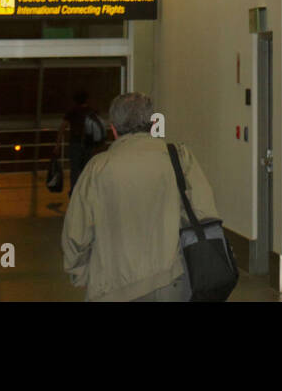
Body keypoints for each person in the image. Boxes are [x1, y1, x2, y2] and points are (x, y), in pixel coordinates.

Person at [62, 92, 223, 301]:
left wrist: (81, 274)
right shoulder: (179, 157)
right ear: (153, 122)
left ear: (113, 128)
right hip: (170, 281)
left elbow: (77, 233)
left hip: (111, 286)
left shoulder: (97, 169)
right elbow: (204, 213)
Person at [55, 89, 106, 198]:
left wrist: (57, 145)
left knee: (74, 169)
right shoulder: (92, 111)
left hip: (75, 144)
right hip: (89, 145)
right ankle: (86, 191)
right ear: (86, 99)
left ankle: (74, 192)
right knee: (86, 169)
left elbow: (62, 128)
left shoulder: (72, 112)